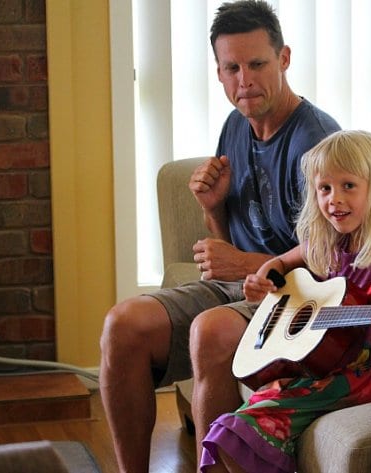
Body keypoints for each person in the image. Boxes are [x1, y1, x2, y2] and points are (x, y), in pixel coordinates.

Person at [98, 1, 341, 471]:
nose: (244, 80)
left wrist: (246, 265)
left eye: (256, 64)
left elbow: (332, 258)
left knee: (209, 329)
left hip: (299, 298)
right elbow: (232, 237)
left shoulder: (316, 141)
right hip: (241, 288)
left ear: (284, 58)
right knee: (122, 326)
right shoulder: (236, 124)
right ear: (219, 72)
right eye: (231, 68)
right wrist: (213, 209)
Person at [199, 130, 371, 473]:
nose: (334, 199)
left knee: (240, 429)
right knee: (237, 421)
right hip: (332, 364)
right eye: (324, 188)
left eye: (348, 186)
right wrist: (267, 278)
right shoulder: (328, 241)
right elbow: (282, 262)